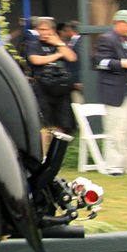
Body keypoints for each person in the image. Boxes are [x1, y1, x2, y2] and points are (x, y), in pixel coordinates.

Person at [93, 10, 127, 176]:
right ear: (118, 22)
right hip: (116, 91)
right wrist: (124, 64)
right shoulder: (106, 39)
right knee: (116, 131)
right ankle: (114, 166)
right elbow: (100, 62)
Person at [25, 18, 77, 154]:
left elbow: (72, 57)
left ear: (53, 30)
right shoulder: (33, 44)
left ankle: (55, 155)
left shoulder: (59, 44)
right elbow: (35, 60)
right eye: (41, 30)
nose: (44, 33)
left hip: (60, 88)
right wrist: (57, 55)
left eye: (46, 29)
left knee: (60, 124)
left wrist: (59, 44)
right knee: (44, 124)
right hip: (42, 87)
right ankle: (42, 156)